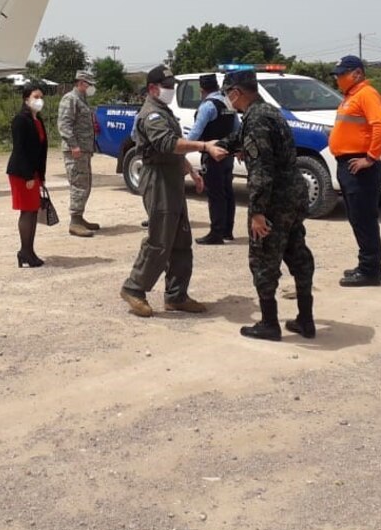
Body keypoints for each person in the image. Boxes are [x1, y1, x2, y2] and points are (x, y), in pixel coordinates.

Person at [120, 65, 229, 318]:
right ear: (152, 89)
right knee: (160, 239)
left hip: (171, 176)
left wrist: (191, 172)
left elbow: (173, 150)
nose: (171, 90)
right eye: (167, 87)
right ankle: (134, 288)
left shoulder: (163, 111)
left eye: (172, 86)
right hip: (158, 179)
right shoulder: (151, 115)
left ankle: (176, 295)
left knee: (181, 239)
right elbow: (168, 144)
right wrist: (204, 146)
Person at [217, 70, 316, 340]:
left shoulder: (256, 118)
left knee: (263, 259)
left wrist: (258, 212)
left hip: (275, 200)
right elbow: (241, 141)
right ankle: (306, 320)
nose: (228, 100)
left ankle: (269, 323)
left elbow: (261, 168)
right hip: (294, 196)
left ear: (236, 92)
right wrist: (216, 147)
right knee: (298, 254)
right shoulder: (268, 111)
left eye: (228, 94)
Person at [328, 55, 381, 287]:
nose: (338, 79)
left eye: (341, 74)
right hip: (348, 165)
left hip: (360, 168)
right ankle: (369, 265)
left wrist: (371, 157)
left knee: (363, 220)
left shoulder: (366, 94)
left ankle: (370, 270)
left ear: (357, 73)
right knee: (357, 218)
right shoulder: (350, 96)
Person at [187, 73, 240, 244]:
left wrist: (182, 147)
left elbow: (196, 132)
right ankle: (227, 231)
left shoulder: (207, 106)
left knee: (215, 194)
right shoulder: (228, 103)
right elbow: (237, 128)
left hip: (212, 154)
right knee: (227, 192)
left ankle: (216, 233)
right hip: (227, 154)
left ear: (202, 90)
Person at [7, 83, 50, 267]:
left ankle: (28, 251)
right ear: (26, 99)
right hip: (22, 173)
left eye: (41, 97)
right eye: (36, 97)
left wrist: (40, 175)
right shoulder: (20, 120)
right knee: (27, 211)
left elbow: (41, 151)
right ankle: (25, 251)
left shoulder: (37, 120)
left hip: (33, 173)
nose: (39, 100)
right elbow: (20, 150)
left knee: (33, 210)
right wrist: (28, 176)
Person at [58, 69, 100, 237]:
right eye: (90, 84)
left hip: (84, 150)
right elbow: (64, 125)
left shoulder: (82, 100)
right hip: (75, 151)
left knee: (85, 183)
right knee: (78, 184)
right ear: (82, 83)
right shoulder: (70, 99)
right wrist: (74, 145)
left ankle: (79, 217)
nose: (91, 88)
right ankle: (74, 222)